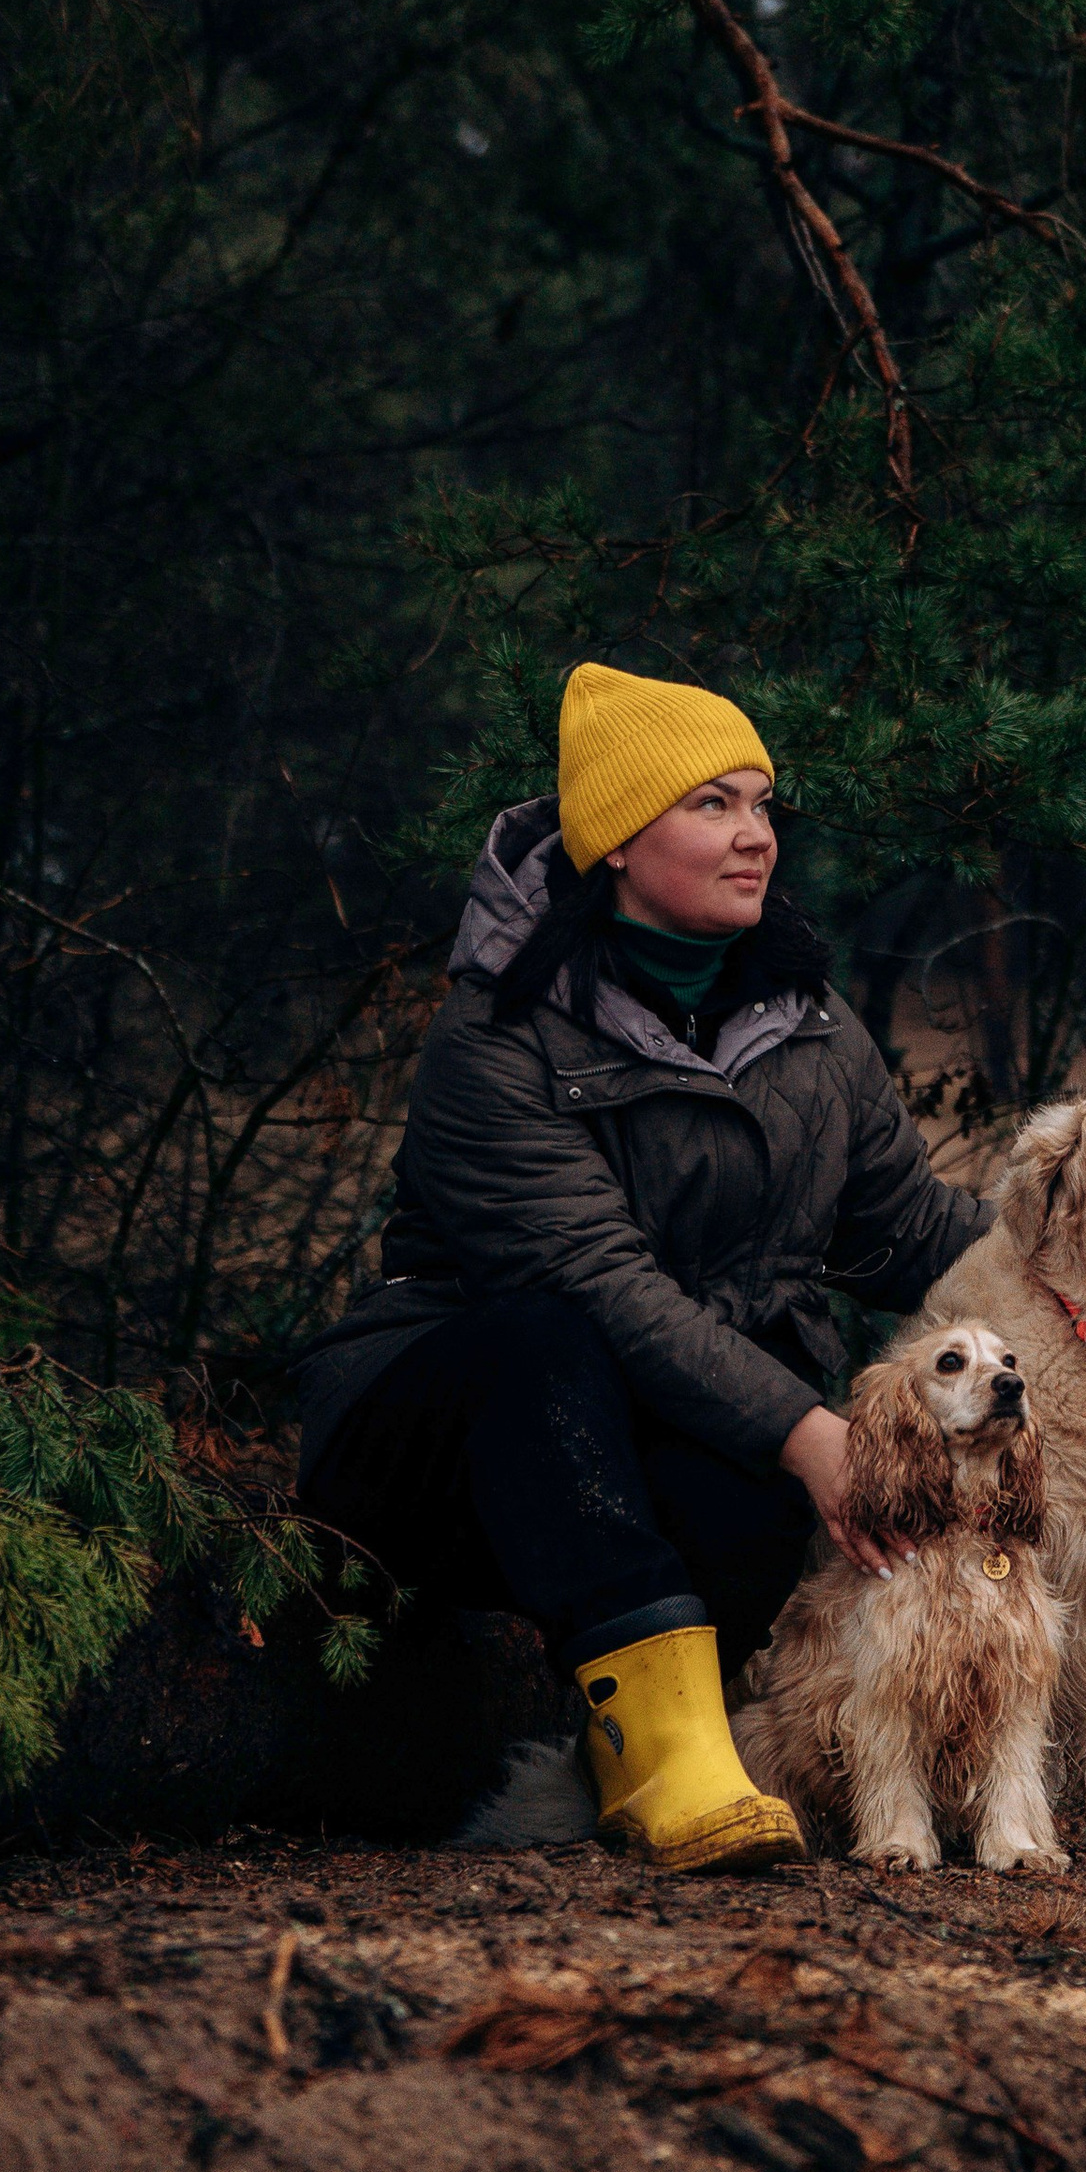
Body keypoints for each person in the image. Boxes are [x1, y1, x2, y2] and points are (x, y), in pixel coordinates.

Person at [296, 663, 992, 1874]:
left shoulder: (810, 1024)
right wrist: (814, 1433)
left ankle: (645, 1745)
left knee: (748, 1451)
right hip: (450, 1437)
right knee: (549, 1341)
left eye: (763, 804)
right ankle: (670, 1755)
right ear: (616, 840)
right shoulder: (497, 1031)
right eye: (712, 804)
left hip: (656, 1422)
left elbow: (908, 1233)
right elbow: (594, 1282)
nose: (755, 837)